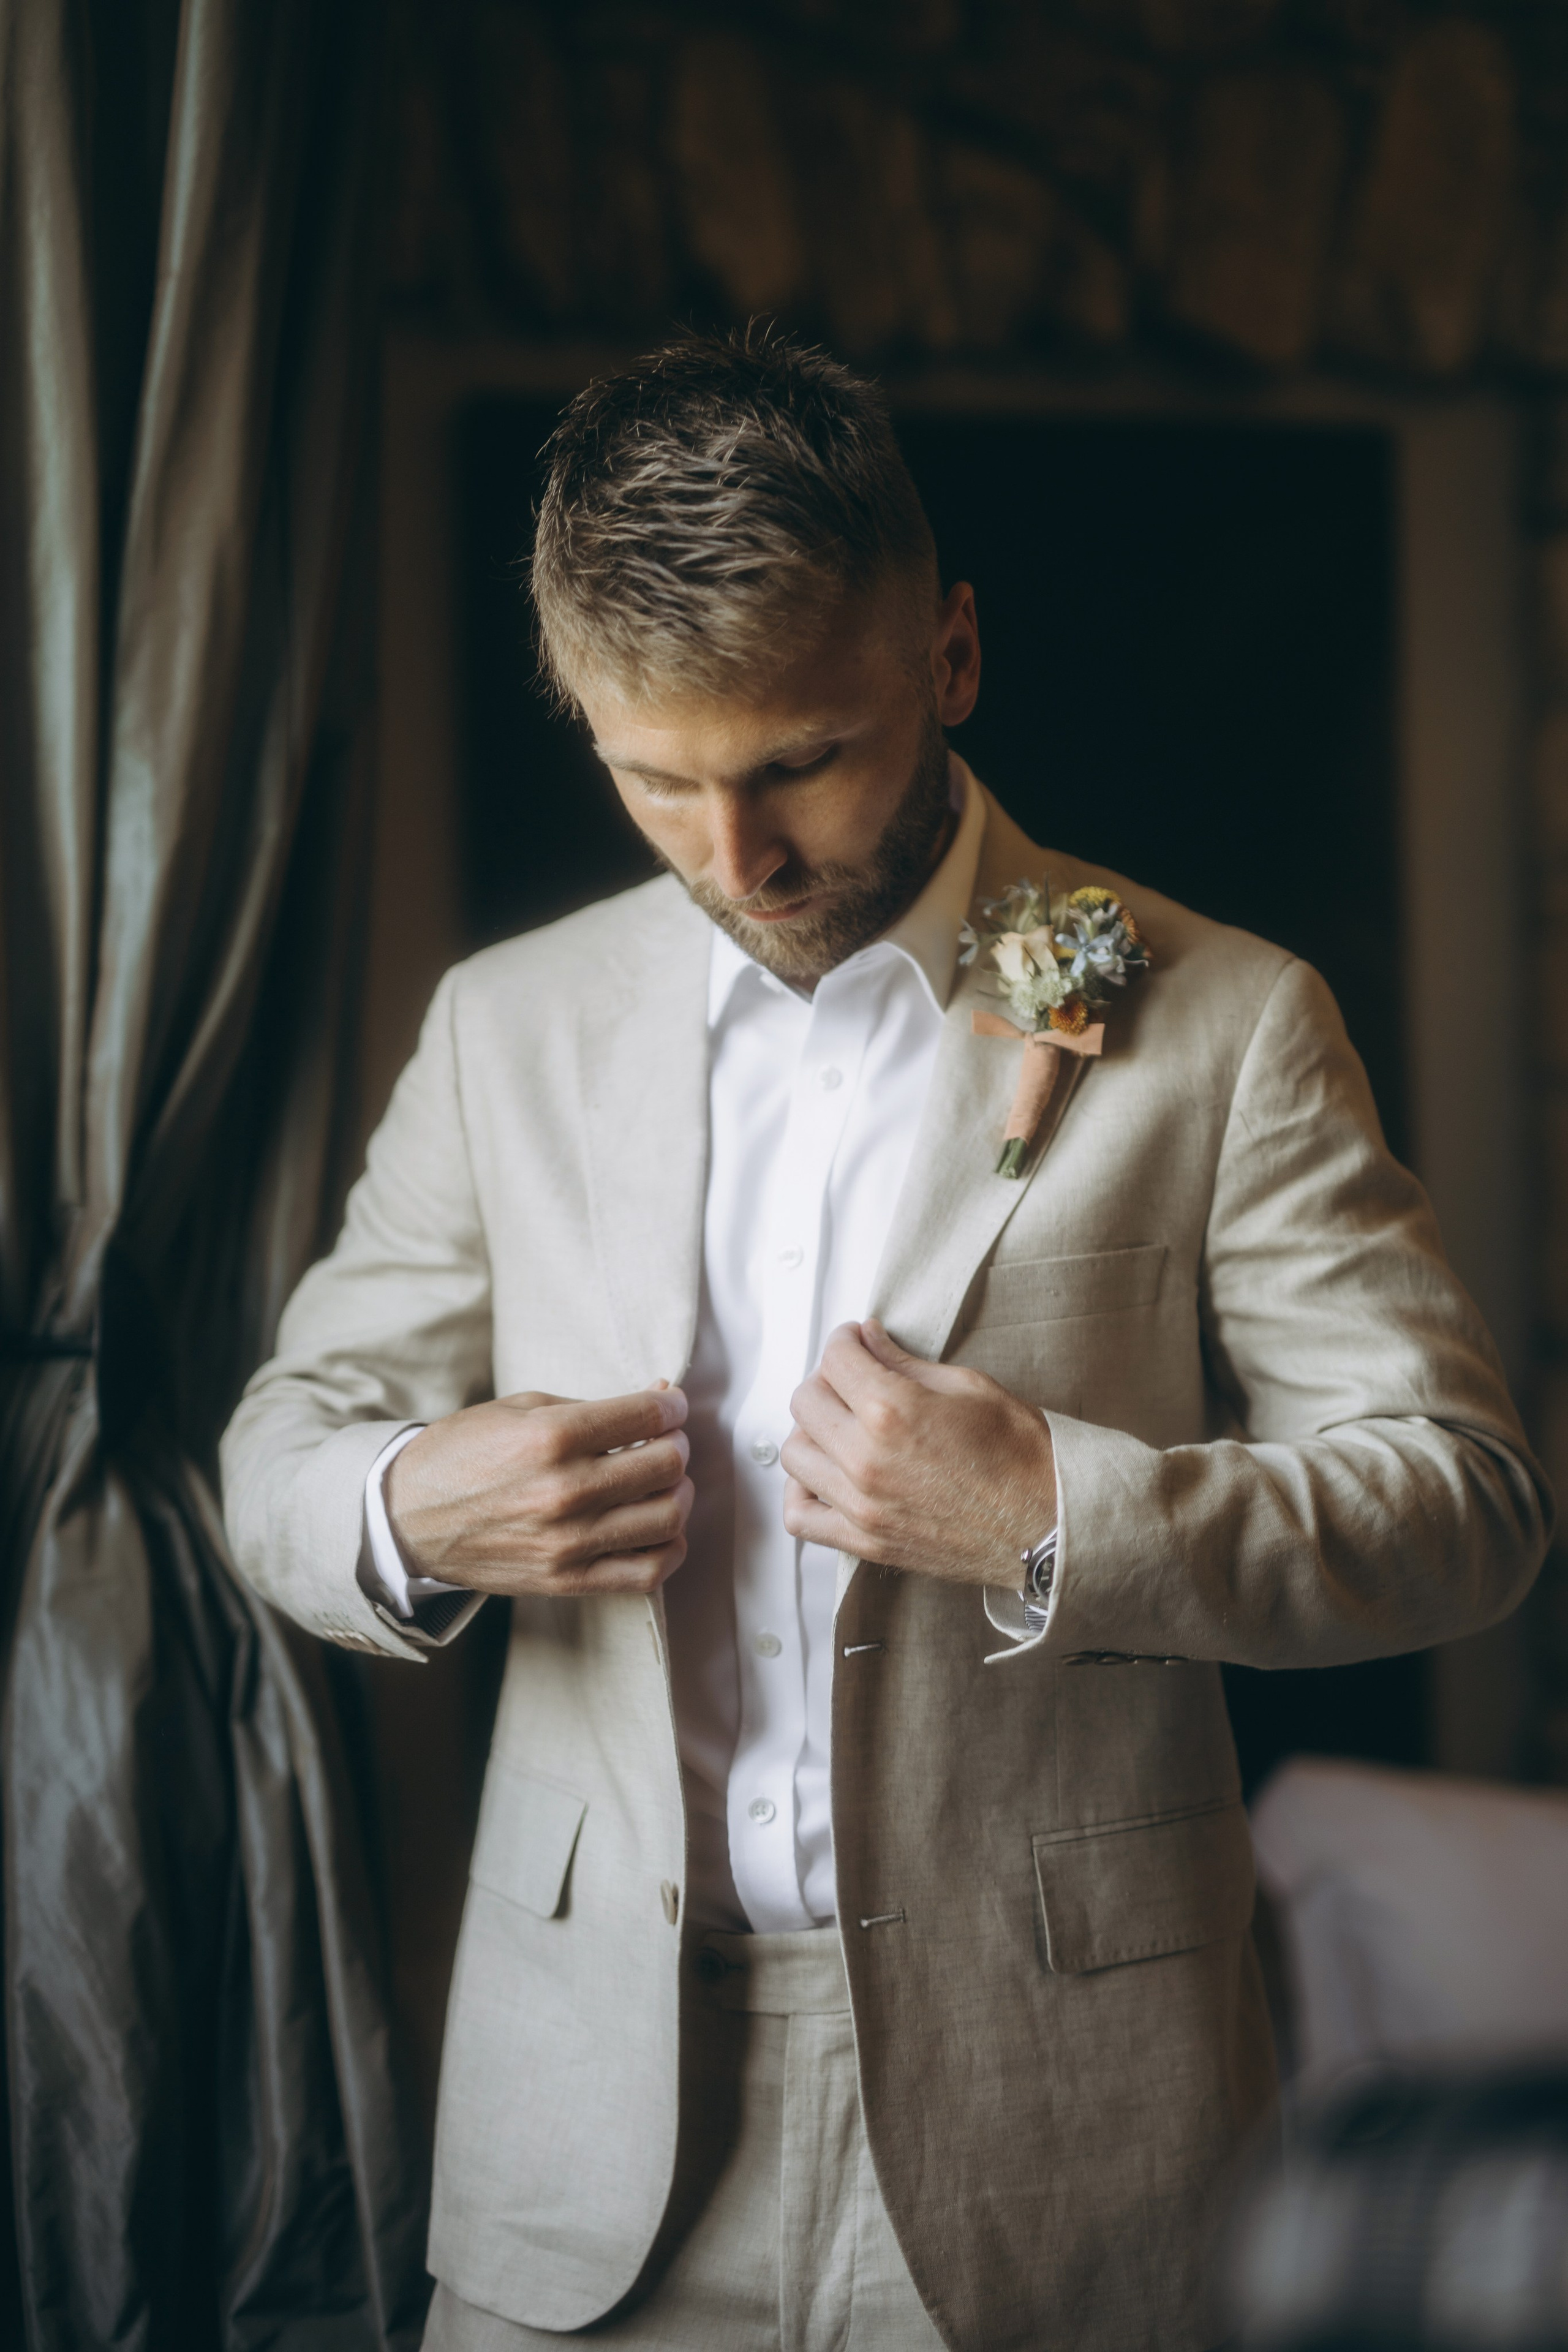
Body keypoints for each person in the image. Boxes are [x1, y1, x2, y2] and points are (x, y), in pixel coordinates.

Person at [221, 328, 1551, 2352]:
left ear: (948, 660)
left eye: (795, 766)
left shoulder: (1229, 1017)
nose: (732, 862)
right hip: (586, 2145)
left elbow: (1466, 1508)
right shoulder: (511, 1025)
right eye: (654, 779)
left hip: (1076, 2144)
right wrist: (407, 1503)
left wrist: (1053, 1515)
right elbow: (282, 1444)